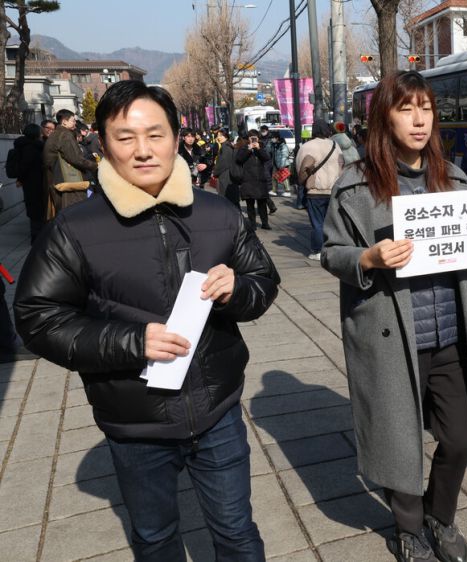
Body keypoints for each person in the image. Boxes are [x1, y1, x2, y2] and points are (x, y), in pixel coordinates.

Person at [14, 80, 280, 561]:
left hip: (218, 412)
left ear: (177, 139)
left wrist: (236, 290)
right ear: (102, 143)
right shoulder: (75, 229)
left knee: (238, 534)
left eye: (155, 135)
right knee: (156, 541)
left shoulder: (219, 213)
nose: (142, 151)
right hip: (134, 424)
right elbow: (37, 317)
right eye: (125, 137)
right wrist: (130, 341)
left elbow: (264, 281)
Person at [321, 71, 467, 562]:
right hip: (390, 336)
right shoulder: (356, 185)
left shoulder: (456, 180)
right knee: (398, 440)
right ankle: (409, 528)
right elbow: (331, 252)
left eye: (426, 107)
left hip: (448, 334)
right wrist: (368, 259)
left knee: (461, 438)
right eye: (406, 108)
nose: (419, 119)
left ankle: (439, 516)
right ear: (385, 117)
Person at [295, 119, 344, 261]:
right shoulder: (335, 145)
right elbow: (342, 166)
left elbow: (301, 169)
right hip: (334, 190)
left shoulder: (307, 147)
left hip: (315, 191)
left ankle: (317, 250)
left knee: (317, 223)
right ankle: (333, 247)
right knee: (332, 222)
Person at [43, 109, 99, 216]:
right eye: (73, 121)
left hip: (56, 179)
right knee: (75, 213)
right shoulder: (65, 135)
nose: (75, 123)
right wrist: (95, 166)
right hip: (69, 181)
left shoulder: (57, 134)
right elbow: (75, 158)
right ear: (64, 122)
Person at [235, 128, 273, 230]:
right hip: (248, 180)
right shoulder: (244, 147)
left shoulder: (261, 147)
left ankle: (265, 223)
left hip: (260, 180)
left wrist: (258, 149)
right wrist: (249, 148)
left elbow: (266, 158)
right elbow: (239, 159)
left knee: (262, 204)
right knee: (250, 204)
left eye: (256, 138)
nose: (254, 140)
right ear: (248, 138)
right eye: (252, 138)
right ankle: (252, 224)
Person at [14, 123, 47, 241]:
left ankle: (38, 235)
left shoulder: (24, 146)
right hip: (34, 182)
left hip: (30, 183)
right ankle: (36, 237)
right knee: (36, 210)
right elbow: (25, 165)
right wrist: (20, 179)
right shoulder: (32, 147)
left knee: (35, 209)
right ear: (36, 133)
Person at [211, 128, 240, 207]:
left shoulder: (226, 147)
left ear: (226, 137)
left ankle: (236, 217)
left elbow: (223, 163)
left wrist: (215, 172)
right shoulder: (226, 146)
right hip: (226, 175)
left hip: (226, 176)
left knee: (228, 199)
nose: (218, 137)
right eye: (218, 136)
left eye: (221, 135)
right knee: (231, 199)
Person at [269, 130, 291, 197]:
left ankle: (287, 191)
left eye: (273, 138)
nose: (272, 139)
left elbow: (284, 156)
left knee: (284, 177)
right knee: (274, 177)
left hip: (283, 164)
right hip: (276, 164)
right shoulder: (274, 145)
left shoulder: (283, 146)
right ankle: (274, 190)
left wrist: (282, 165)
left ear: (277, 138)